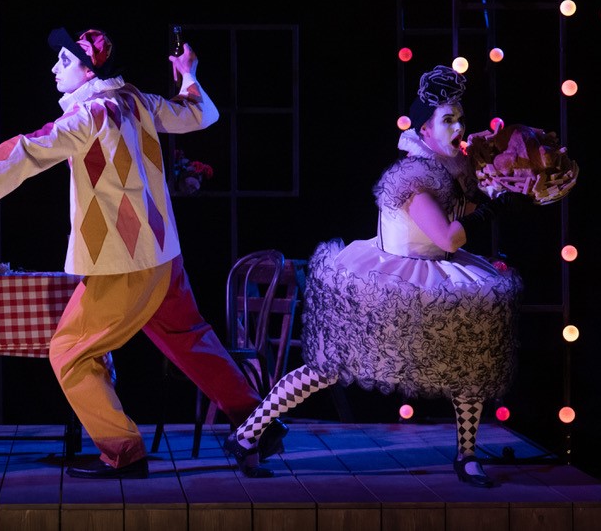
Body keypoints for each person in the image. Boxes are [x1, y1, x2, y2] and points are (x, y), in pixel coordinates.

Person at [0, 27, 287, 479]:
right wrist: (188, 74)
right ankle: (261, 423)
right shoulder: (137, 101)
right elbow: (200, 113)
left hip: (126, 263)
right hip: (162, 255)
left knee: (69, 351)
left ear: (88, 68)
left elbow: (30, 148)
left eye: (63, 61)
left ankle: (123, 451)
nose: (54, 69)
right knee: (190, 339)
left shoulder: (89, 115)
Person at [222, 65, 523, 487]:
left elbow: (457, 214)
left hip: (435, 280)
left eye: (460, 117)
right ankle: (246, 434)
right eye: (448, 119)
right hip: (390, 283)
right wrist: (490, 202)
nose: (459, 127)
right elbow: (449, 237)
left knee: (468, 364)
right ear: (425, 128)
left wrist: (492, 188)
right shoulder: (414, 177)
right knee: (325, 368)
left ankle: (468, 453)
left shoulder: (449, 169)